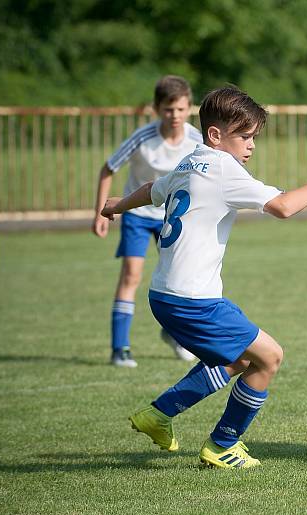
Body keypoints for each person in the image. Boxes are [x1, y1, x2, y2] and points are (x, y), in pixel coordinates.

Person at [100, 86, 307, 469]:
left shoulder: (188, 163)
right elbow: (282, 206)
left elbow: (152, 189)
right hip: (193, 299)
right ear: (215, 135)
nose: (251, 146)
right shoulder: (223, 168)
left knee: (238, 359)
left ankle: (159, 414)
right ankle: (222, 445)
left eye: (253, 137)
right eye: (244, 136)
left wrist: (118, 204)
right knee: (269, 358)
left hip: (166, 295)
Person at [92, 75, 202, 368]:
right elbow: (108, 168)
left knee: (178, 280)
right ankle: (120, 348)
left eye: (180, 109)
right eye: (168, 110)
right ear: (156, 108)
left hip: (173, 216)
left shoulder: (197, 140)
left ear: (189, 107)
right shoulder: (143, 138)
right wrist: (99, 212)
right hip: (138, 214)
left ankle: (174, 334)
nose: (174, 116)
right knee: (131, 275)